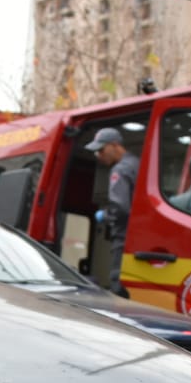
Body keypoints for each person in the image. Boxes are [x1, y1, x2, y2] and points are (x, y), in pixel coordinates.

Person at [85, 126, 137, 296]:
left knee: (118, 286)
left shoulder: (120, 170)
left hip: (123, 239)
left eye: (101, 150)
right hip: (136, 238)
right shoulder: (137, 163)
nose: (99, 156)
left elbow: (120, 208)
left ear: (115, 145)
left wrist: (105, 215)